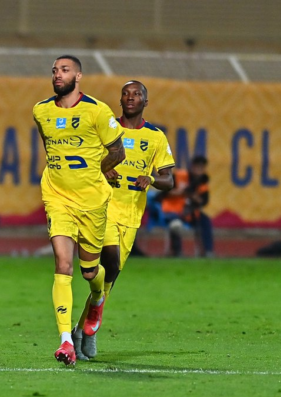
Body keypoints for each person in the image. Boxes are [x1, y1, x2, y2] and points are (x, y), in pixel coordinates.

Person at [72, 80, 175, 360]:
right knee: (110, 261)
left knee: (109, 279)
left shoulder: (155, 137)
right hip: (102, 208)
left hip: (131, 216)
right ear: (119, 101)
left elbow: (169, 179)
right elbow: (84, 163)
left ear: (145, 102)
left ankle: (83, 330)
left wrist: (151, 178)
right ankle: (87, 330)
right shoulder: (107, 129)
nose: (130, 98)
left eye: (136, 94)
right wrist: (103, 169)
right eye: (125, 94)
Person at [33, 55, 125, 366]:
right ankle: (65, 340)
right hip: (57, 197)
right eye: (54, 70)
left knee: (90, 272)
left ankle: (97, 298)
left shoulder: (97, 111)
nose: (57, 75)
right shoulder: (41, 111)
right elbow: (50, 147)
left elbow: (118, 152)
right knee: (63, 264)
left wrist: (97, 170)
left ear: (79, 76)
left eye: (65, 70)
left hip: (91, 201)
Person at [160, 155, 214, 257]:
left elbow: (203, 202)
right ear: (192, 166)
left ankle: (208, 251)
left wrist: (194, 196)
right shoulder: (179, 175)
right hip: (172, 210)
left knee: (205, 220)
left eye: (202, 167)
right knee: (176, 224)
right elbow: (163, 193)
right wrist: (181, 192)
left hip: (189, 212)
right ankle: (177, 252)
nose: (199, 170)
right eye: (197, 166)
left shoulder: (202, 182)